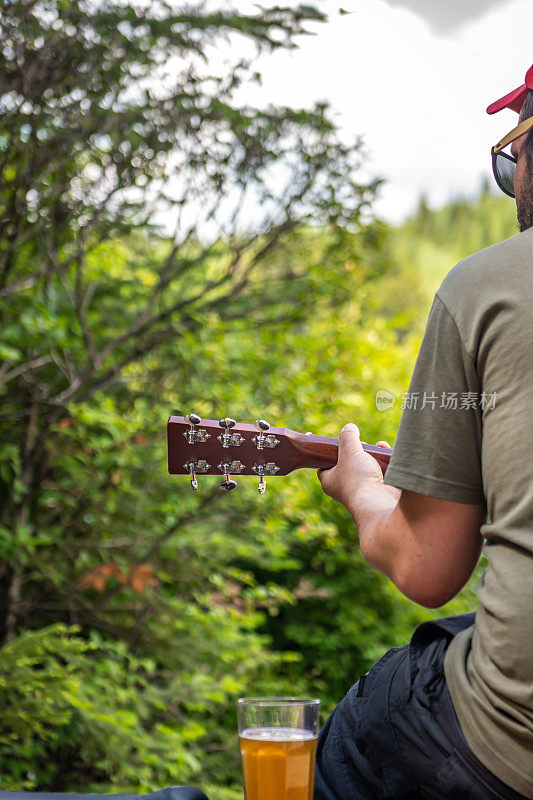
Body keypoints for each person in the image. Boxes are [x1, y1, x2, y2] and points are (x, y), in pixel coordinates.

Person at [315, 64, 533, 800]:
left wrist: (363, 491)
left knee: (368, 718)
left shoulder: (484, 285)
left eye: (515, 154)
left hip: (512, 752)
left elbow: (425, 568)